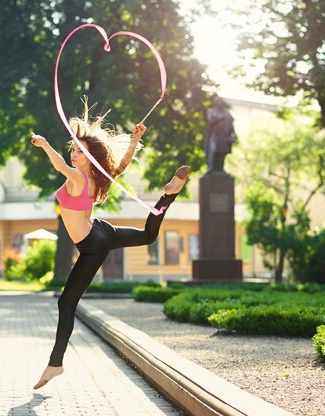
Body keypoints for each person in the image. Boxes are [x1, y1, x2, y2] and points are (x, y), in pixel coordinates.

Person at [30, 101, 190, 390]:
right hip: (100, 230)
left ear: (89, 156)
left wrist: (44, 145)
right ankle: (168, 196)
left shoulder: (79, 176)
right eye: (74, 148)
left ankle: (56, 364)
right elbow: (123, 164)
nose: (73, 153)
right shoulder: (99, 176)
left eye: (79, 150)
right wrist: (136, 139)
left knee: (66, 302)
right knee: (147, 236)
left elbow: (60, 165)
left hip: (93, 244)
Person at [205, 96, 236, 173]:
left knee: (222, 152)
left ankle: (220, 169)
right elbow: (210, 121)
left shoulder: (226, 112)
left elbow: (232, 123)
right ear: (215, 103)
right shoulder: (211, 111)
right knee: (213, 151)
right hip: (215, 136)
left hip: (224, 136)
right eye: (219, 101)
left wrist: (233, 134)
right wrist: (221, 118)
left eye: (221, 101)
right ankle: (211, 168)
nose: (221, 103)